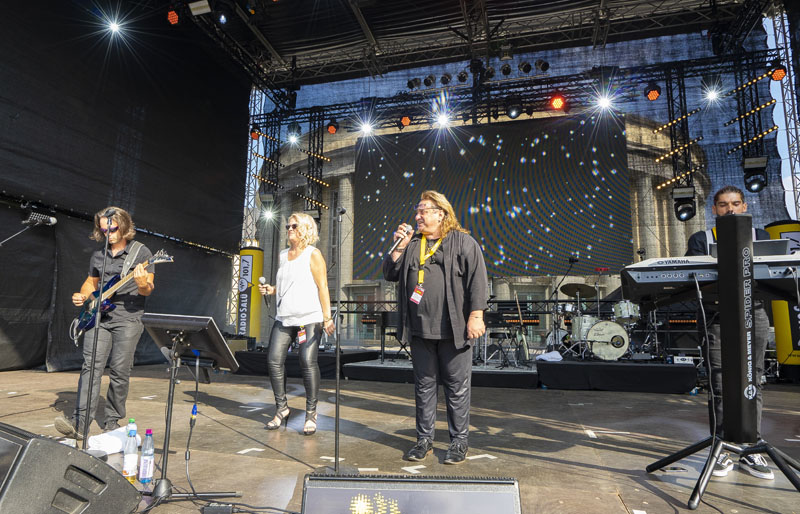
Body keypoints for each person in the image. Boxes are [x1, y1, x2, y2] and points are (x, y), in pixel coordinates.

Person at [383, 190, 488, 465]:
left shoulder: (463, 242)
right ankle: (423, 440)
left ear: (441, 213)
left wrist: (476, 315)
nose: (417, 216)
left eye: (423, 211)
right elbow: (390, 273)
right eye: (417, 211)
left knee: (457, 388)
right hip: (419, 329)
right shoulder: (412, 244)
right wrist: (399, 246)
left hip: (454, 330)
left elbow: (478, 281)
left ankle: (458, 442)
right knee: (424, 387)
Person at [686, 185, 773, 480]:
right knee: (720, 383)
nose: (730, 209)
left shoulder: (762, 237)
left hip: (754, 313)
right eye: (723, 205)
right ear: (714, 209)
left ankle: (750, 448)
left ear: (745, 206)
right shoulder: (701, 240)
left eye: (735, 203)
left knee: (753, 379)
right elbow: (695, 279)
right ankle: (721, 447)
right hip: (717, 316)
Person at [55, 207, 154, 439]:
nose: (107, 233)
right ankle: (80, 424)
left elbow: (148, 288)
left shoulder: (141, 252)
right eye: (103, 229)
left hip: (128, 318)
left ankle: (112, 421)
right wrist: (82, 296)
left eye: (112, 228)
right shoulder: (99, 255)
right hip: (98, 317)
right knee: (90, 367)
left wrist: (141, 283)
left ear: (124, 226)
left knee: (120, 370)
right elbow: (91, 282)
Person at [258, 212, 335, 436]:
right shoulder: (283, 255)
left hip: (309, 317)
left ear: (306, 229)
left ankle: (311, 413)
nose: (289, 229)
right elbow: (287, 285)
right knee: (273, 360)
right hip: (285, 317)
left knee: (307, 362)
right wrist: (272, 289)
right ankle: (282, 408)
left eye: (294, 226)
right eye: (288, 226)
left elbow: (322, 287)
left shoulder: (313, 254)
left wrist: (327, 317)